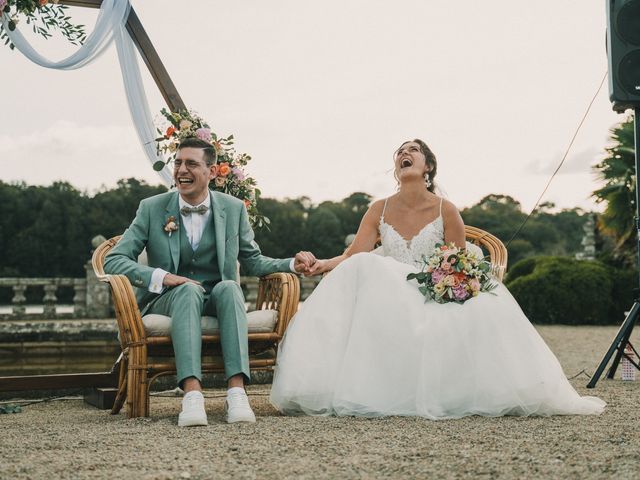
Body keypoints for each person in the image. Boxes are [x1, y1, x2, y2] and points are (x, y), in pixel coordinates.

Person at [269, 139, 605, 418]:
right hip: (386, 291)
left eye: (413, 149)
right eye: (400, 151)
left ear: (427, 166)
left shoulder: (447, 209)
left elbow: (457, 260)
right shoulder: (379, 209)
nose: (405, 153)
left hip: (430, 286)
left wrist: (451, 284)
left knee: (480, 305)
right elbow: (354, 254)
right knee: (366, 267)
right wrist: (320, 264)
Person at [104, 137, 316, 426]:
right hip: (168, 298)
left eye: (191, 163)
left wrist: (292, 263)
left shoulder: (233, 208)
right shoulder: (152, 208)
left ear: (212, 172)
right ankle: (192, 395)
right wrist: (161, 277)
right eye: (178, 163)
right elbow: (113, 260)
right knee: (188, 291)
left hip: (216, 297)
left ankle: (237, 391)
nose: (181, 170)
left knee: (230, 287)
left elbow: (253, 261)